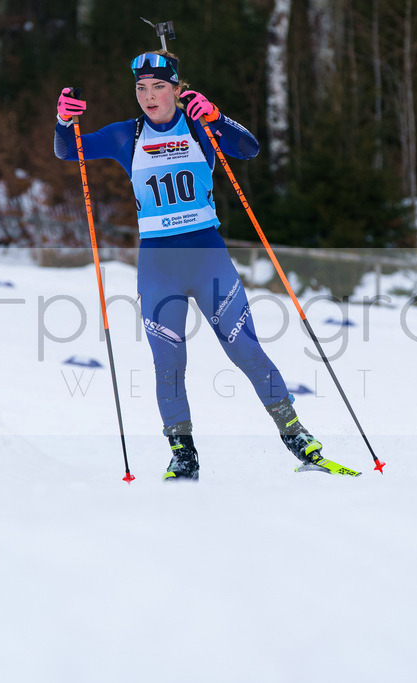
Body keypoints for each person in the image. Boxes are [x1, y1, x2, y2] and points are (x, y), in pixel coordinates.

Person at [54, 50, 325, 481]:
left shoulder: (200, 126)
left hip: (207, 257)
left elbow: (248, 148)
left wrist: (217, 117)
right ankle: (183, 453)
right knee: (168, 363)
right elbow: (70, 152)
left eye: (159, 86)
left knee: (245, 349)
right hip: (159, 266)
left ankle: (295, 434)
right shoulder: (128, 135)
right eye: (141, 88)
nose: (149, 96)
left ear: (178, 89)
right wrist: (65, 121)